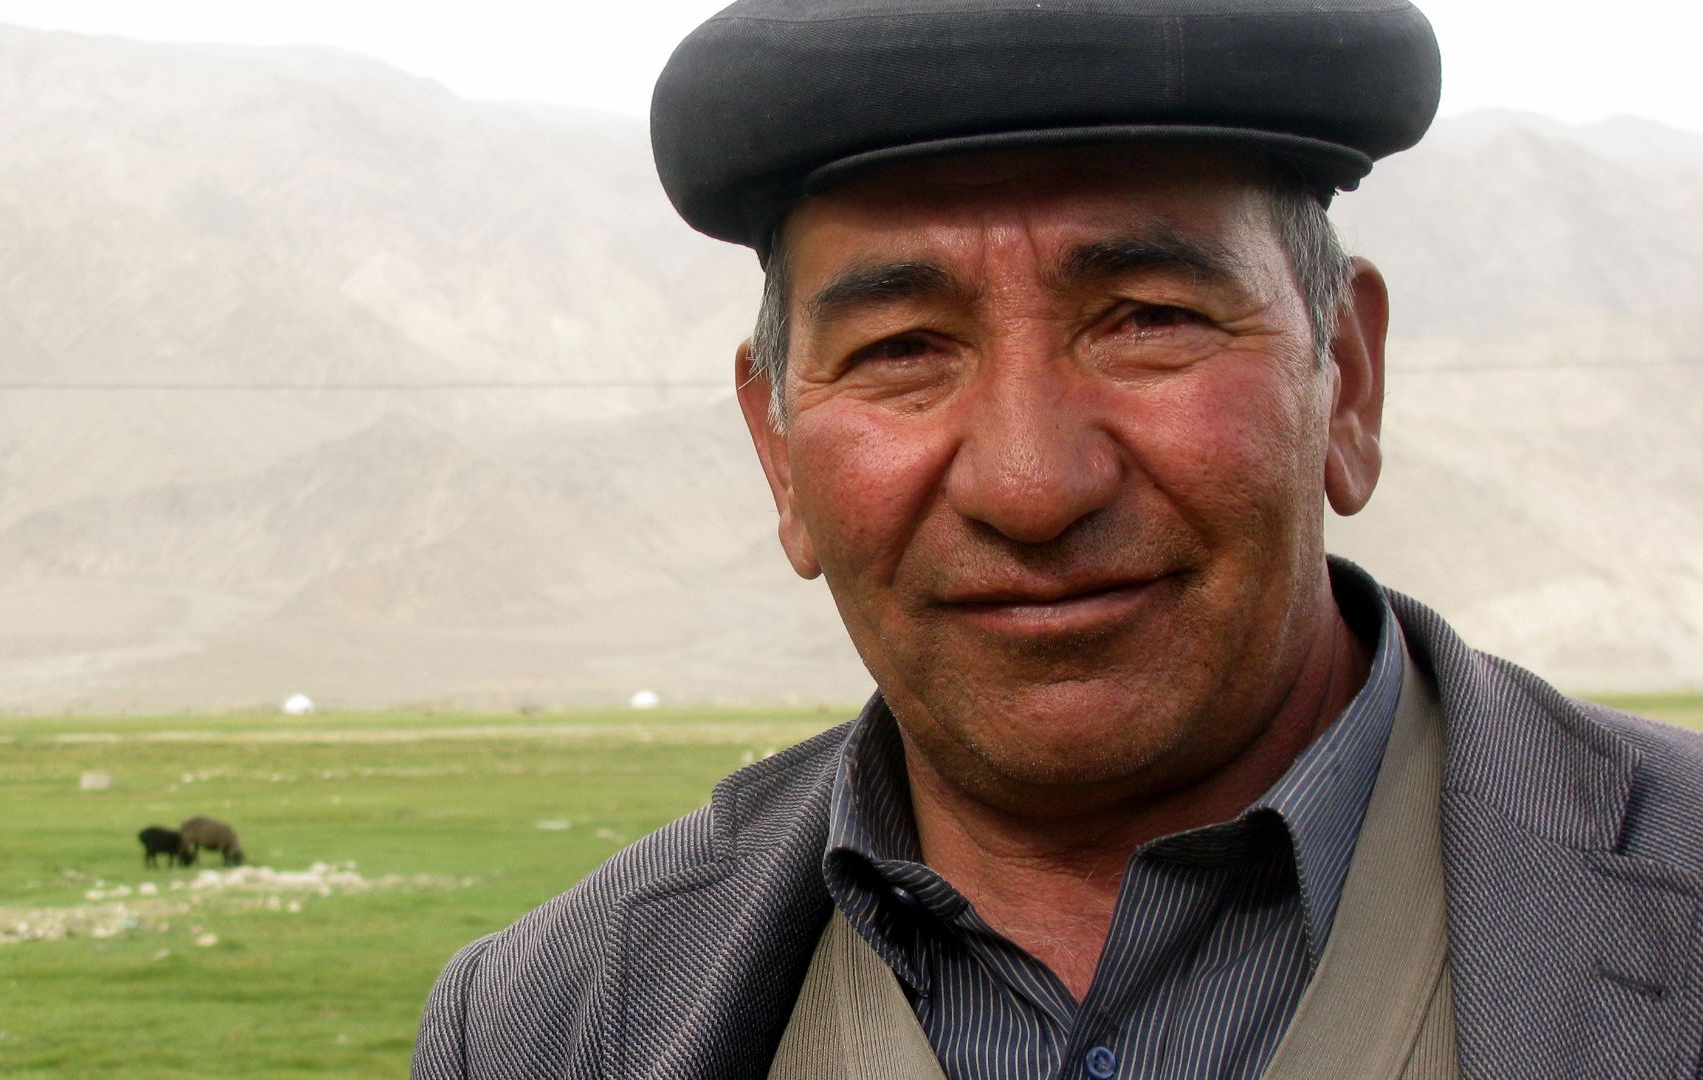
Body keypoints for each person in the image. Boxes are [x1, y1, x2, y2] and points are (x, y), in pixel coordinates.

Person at [414, 2, 1703, 1077]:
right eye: (903, 349)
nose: (1031, 487)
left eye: (1147, 319)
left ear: (1347, 383)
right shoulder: (540, 1027)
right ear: (779, 455)